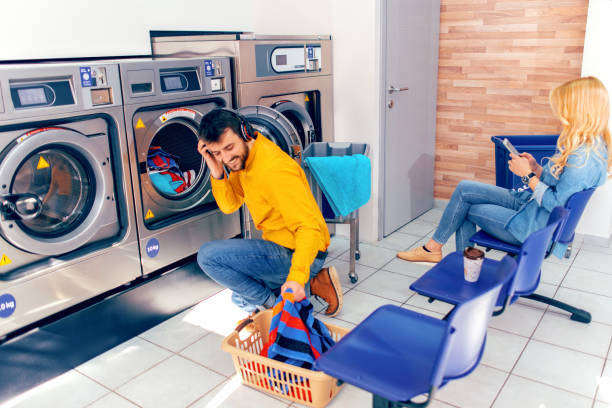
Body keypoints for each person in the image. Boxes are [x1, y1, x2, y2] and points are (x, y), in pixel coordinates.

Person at [398, 76, 611, 263]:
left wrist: (527, 176)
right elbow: (560, 185)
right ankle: (434, 249)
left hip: (533, 228)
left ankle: (459, 266)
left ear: (579, 110)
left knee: (465, 211)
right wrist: (536, 168)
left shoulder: (583, 159)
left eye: (564, 108)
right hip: (531, 206)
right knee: (464, 189)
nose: (560, 114)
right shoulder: (590, 146)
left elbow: (556, 205)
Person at [195, 109, 343, 317]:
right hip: (278, 247)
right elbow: (230, 205)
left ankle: (278, 309)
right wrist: (216, 169)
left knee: (208, 257)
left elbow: (308, 228)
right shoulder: (243, 161)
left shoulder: (274, 169)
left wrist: (296, 278)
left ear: (246, 133)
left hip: (298, 252)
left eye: (229, 147)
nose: (226, 158)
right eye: (218, 152)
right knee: (239, 297)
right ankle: (317, 283)